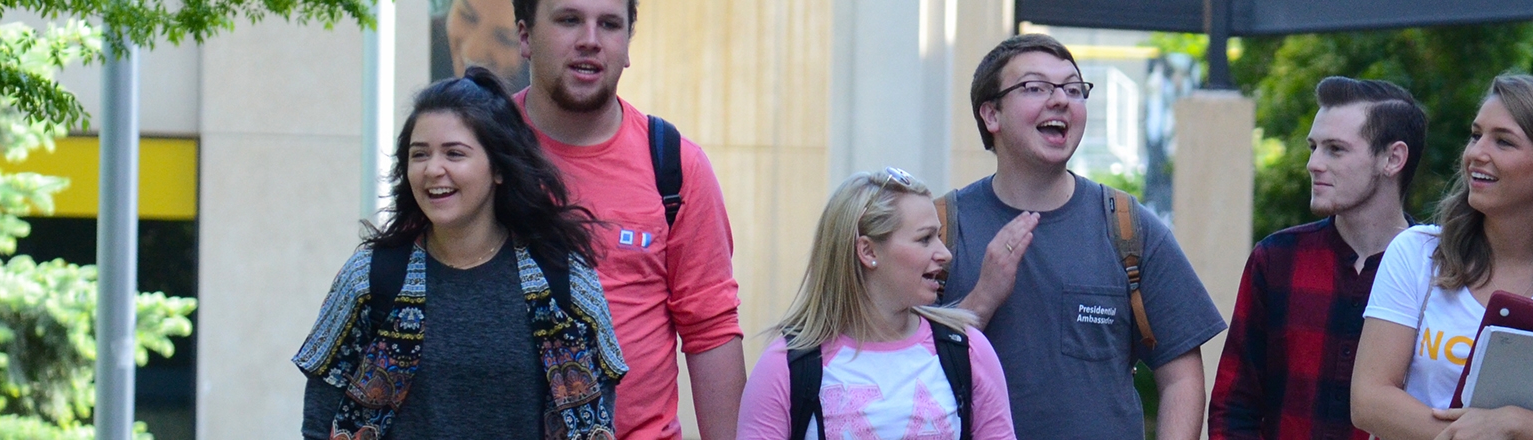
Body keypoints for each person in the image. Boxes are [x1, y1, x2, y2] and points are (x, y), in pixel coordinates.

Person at [295, 67, 627, 439]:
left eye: (455, 154)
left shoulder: (564, 279)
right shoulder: (369, 278)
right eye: (419, 154)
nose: (433, 169)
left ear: (499, 168)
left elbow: (597, 421)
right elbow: (319, 423)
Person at [938, 33, 1227, 439]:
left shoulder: (1129, 228)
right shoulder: (938, 230)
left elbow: (1181, 376)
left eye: (1073, 89)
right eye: (1035, 87)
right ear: (991, 115)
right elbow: (899, 364)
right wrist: (981, 301)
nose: (1060, 100)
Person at [1349, 74, 1533, 440]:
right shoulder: (1418, 254)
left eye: (1504, 142)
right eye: (1476, 135)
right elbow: (1369, 401)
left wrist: (1515, 424)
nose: (1477, 153)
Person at [513, 0, 746, 438]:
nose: (590, 40)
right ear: (525, 35)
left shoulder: (675, 165)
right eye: (568, 20)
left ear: (627, 46)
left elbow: (711, 330)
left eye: (609, 24)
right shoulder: (477, 155)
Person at [1209, 76, 1425, 440]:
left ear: (1393, 158)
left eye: (1335, 149)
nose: (1313, 163)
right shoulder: (1276, 260)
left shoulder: (1440, 270)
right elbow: (1234, 406)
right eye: (1313, 147)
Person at [737, 168, 1017, 440]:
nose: (944, 253)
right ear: (868, 251)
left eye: (939, 237)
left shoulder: (966, 350)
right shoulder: (787, 365)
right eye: (924, 239)